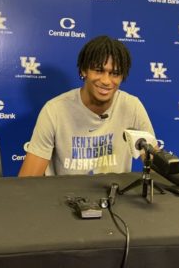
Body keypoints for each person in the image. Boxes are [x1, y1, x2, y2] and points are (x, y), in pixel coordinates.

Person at [18, 35, 155, 176]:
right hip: (65, 196)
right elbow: (27, 181)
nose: (106, 81)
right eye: (99, 70)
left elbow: (155, 164)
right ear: (84, 70)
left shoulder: (132, 107)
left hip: (116, 195)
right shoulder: (54, 110)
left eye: (114, 73)